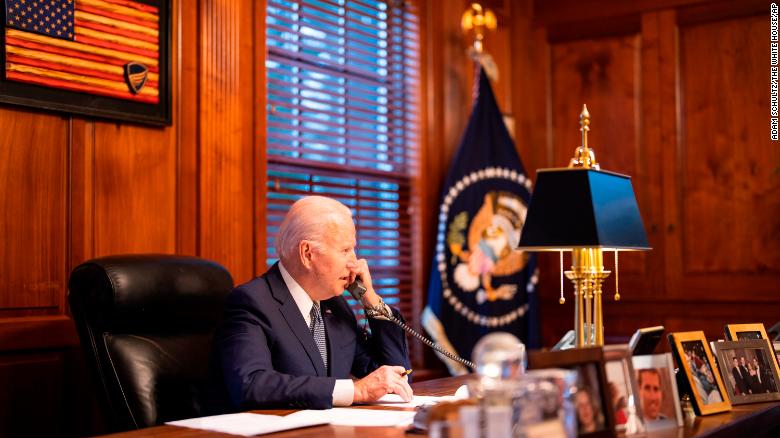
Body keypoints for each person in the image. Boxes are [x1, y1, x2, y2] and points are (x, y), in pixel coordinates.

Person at [207, 196, 413, 411]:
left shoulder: (336, 306)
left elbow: (393, 375)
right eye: (345, 251)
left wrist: (370, 299)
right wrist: (356, 390)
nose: (355, 264)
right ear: (307, 254)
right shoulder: (251, 302)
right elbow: (251, 384)